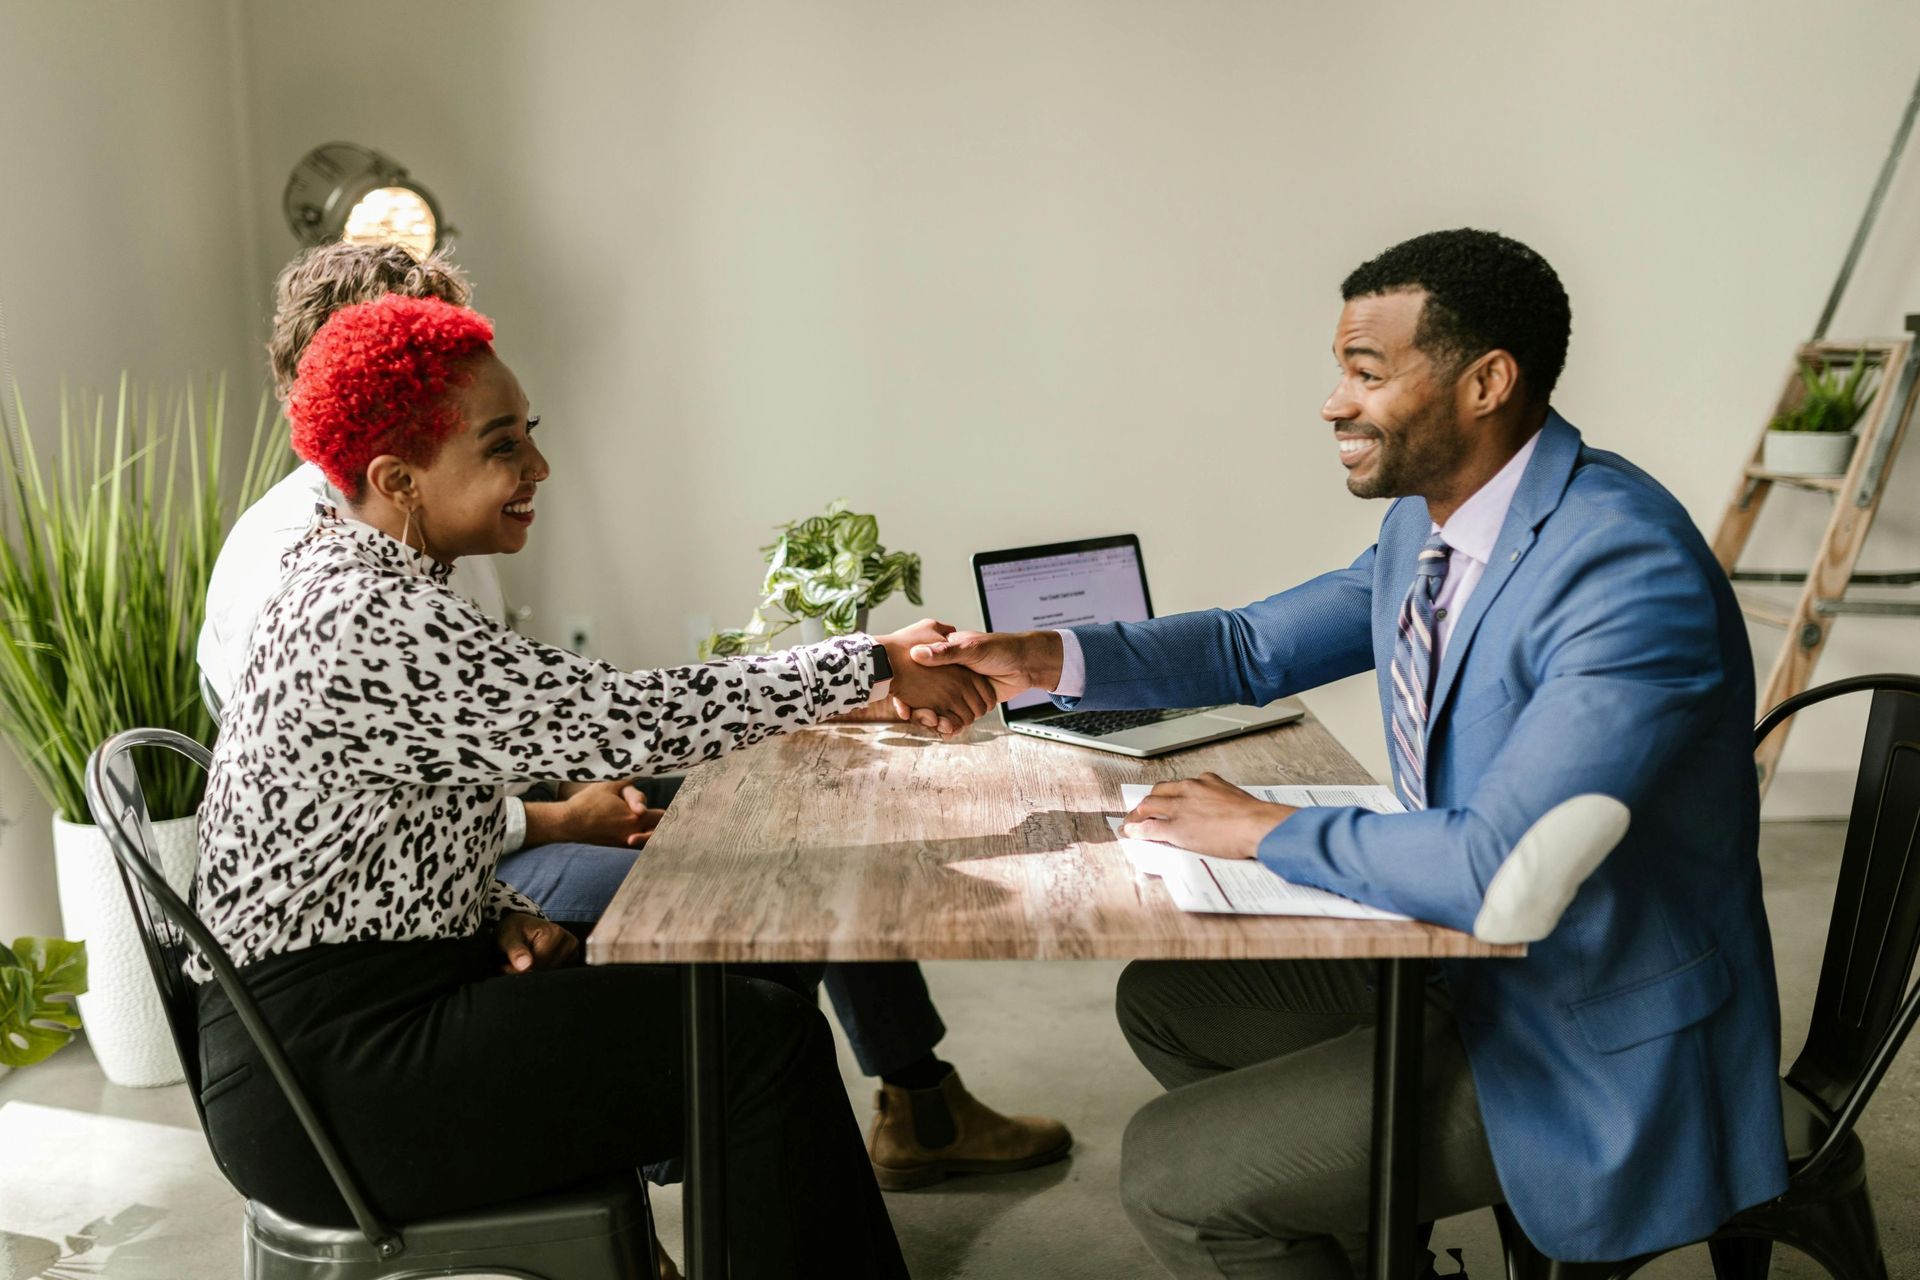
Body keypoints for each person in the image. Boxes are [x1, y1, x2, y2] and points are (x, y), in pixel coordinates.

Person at [906, 229, 1789, 1275]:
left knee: (1169, 1171)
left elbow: (1503, 869)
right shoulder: (1434, 525)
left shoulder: (1622, 567)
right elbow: (1251, 643)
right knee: (1171, 999)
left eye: (1366, 373)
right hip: (1470, 969)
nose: (1334, 402)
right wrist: (1038, 656)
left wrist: (1266, 827)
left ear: (1486, 382)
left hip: (1584, 1025)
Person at [197, 242, 1072, 1190]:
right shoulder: (354, 603)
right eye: (501, 443)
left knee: (756, 949)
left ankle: (901, 1109)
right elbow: (616, 721)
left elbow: (401, 813)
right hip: (326, 1068)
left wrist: (492, 910)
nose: (538, 464)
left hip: (378, 992)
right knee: (754, 1026)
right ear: (392, 464)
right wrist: (867, 662)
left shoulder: (373, 562)